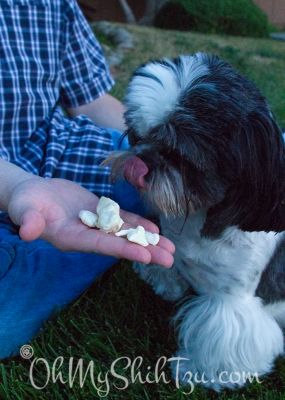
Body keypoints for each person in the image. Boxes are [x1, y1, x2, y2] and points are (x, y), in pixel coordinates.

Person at [0, 0, 174, 359]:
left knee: (248, 163)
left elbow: (91, 101)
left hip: (59, 150)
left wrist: (160, 148)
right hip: (17, 185)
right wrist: (16, 185)